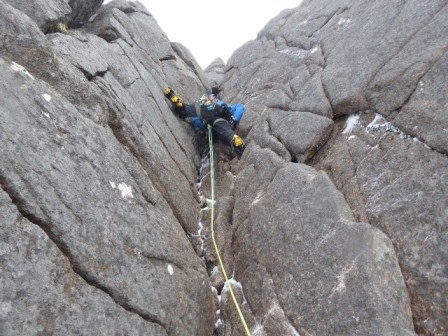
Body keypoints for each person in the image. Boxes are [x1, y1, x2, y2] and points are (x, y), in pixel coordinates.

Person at [164, 86, 246, 158]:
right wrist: (234, 119)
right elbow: (240, 107)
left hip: (203, 109)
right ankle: (234, 139)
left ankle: (180, 104)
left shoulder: (204, 101)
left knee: (188, 110)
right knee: (225, 130)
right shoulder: (222, 104)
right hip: (220, 115)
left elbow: (195, 120)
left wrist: (204, 126)